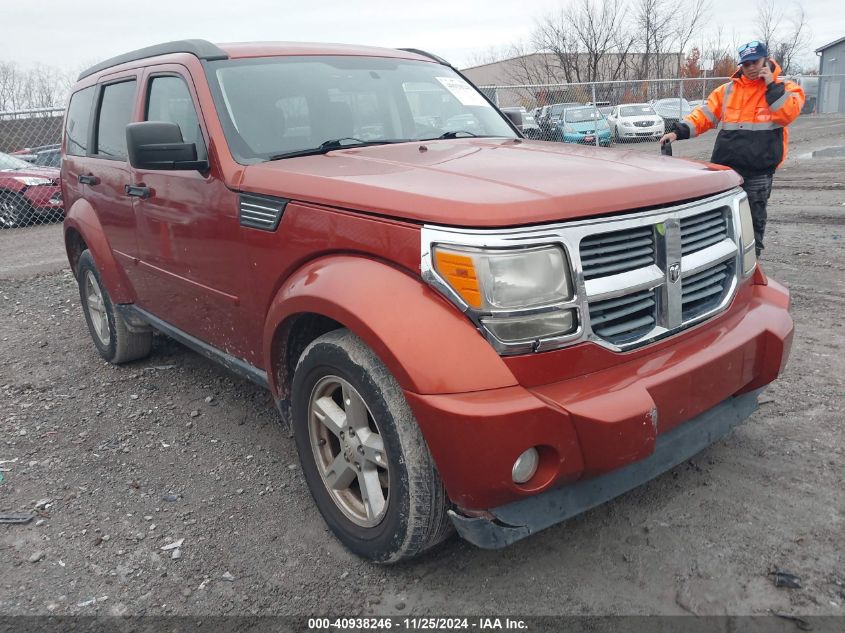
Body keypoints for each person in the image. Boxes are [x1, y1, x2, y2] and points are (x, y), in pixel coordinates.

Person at [659, 41, 805, 257]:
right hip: (725, 169)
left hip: (759, 171)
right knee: (718, 218)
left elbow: (787, 115)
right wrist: (677, 132)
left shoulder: (786, 88)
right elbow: (704, 116)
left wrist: (771, 86)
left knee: (752, 220)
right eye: (746, 64)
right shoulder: (727, 91)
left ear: (766, 60)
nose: (751, 67)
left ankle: (751, 261)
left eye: (755, 62)